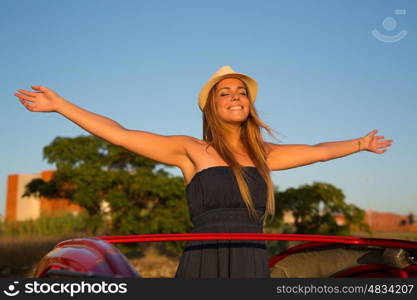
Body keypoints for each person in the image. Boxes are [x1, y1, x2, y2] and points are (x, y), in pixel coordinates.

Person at [14, 65, 393, 278]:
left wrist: (359, 144)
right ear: (211, 106)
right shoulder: (189, 150)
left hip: (251, 260)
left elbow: (319, 152)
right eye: (225, 92)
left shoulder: (265, 154)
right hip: (203, 260)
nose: (235, 97)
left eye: (241, 92)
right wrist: (61, 105)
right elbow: (119, 134)